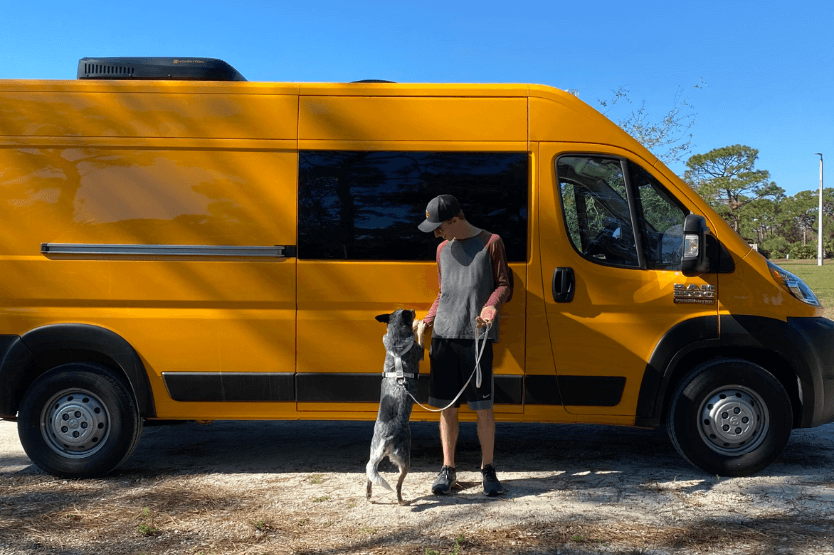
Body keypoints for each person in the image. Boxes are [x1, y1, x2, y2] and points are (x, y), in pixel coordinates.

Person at [415, 194, 512, 497]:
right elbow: (443, 292)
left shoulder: (491, 242)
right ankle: (448, 469)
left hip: (477, 339)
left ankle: (488, 469)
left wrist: (492, 305)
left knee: (483, 408)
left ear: (455, 220)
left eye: (439, 226)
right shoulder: (442, 249)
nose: (436, 233)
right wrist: (427, 322)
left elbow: (504, 284)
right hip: (444, 337)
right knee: (446, 408)